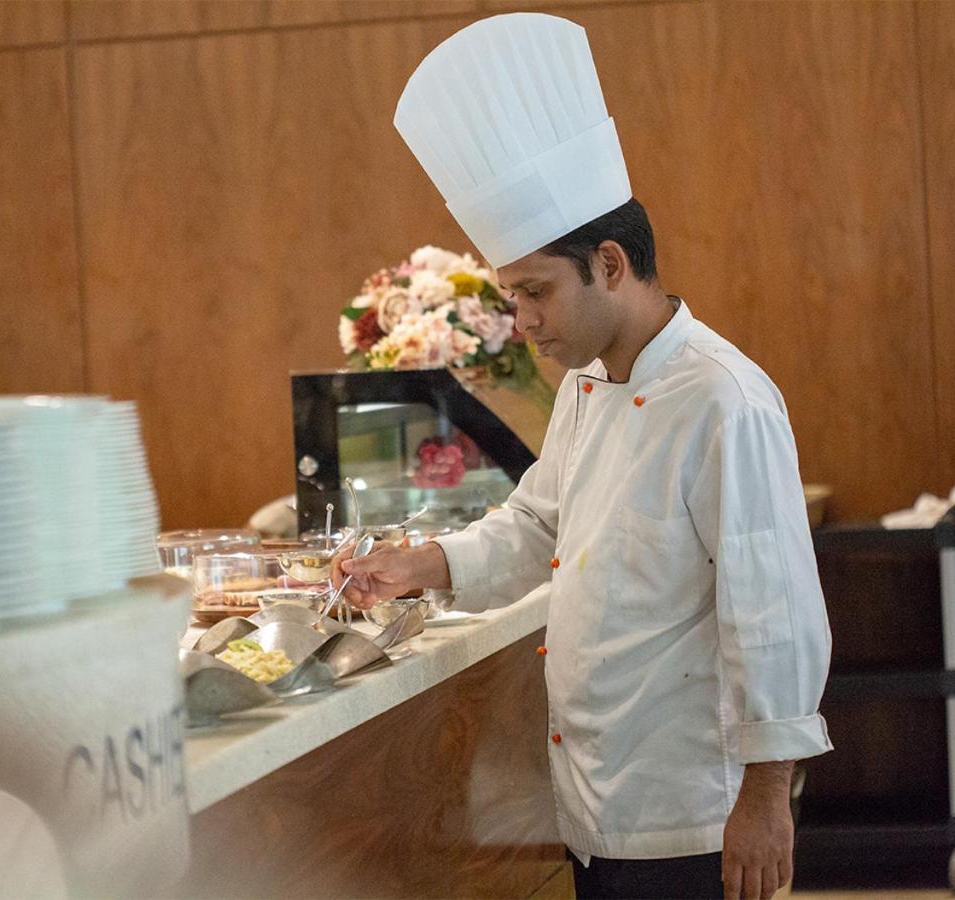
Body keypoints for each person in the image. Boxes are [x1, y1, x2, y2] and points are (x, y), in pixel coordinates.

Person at [335, 13, 832, 900]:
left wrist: (765, 797)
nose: (522, 321)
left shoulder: (724, 397)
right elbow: (535, 523)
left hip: (691, 811)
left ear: (609, 263)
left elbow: (774, 608)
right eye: (510, 295)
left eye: (534, 292)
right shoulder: (586, 387)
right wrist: (425, 562)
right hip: (593, 802)